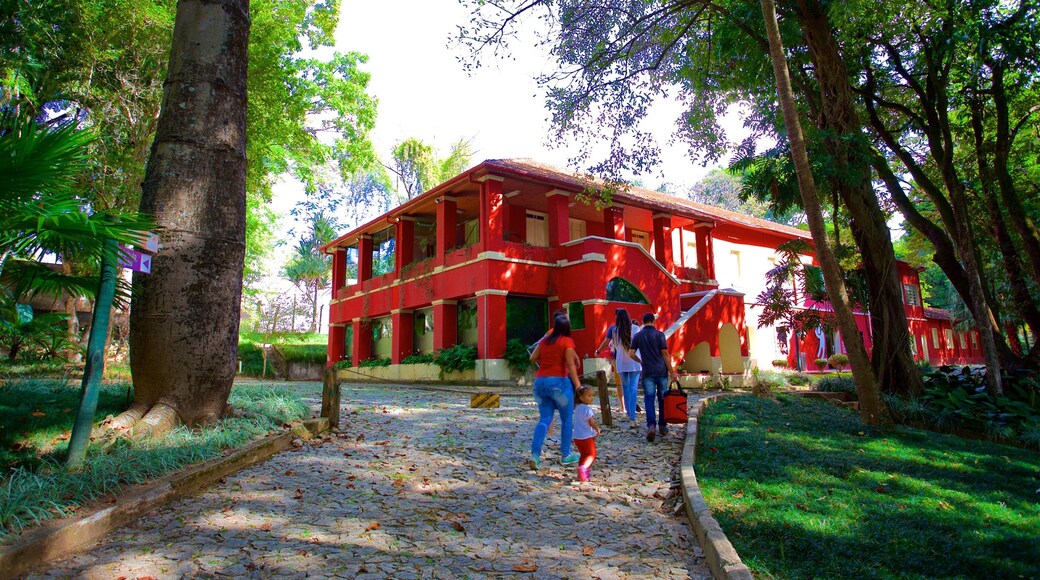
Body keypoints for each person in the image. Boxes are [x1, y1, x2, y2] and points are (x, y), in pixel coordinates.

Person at [529, 315, 582, 469]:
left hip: (540, 384)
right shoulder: (567, 341)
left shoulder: (545, 340)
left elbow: (533, 357)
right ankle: (565, 455)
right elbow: (571, 366)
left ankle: (535, 455)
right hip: (559, 384)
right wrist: (578, 386)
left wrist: (546, 361)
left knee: (544, 419)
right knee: (566, 419)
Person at [629, 312, 678, 442]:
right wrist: (672, 372)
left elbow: (631, 353)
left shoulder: (638, 336)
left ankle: (651, 426)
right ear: (653, 321)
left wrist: (640, 361)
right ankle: (662, 426)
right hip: (661, 371)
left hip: (647, 372)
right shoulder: (660, 335)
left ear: (643, 321)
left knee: (649, 399)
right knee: (662, 399)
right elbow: (665, 354)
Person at [596, 308, 642, 424]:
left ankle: (627, 413)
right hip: (634, 362)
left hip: (621, 362)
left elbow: (606, 342)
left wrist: (598, 351)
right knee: (633, 389)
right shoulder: (636, 328)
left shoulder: (614, 330)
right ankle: (632, 418)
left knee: (625, 389)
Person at [572, 385, 600, 482]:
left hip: (576, 436)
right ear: (581, 398)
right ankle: (583, 468)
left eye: (592, 395)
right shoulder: (587, 409)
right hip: (586, 436)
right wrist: (597, 429)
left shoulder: (577, 407)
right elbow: (591, 422)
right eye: (589, 396)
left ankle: (581, 474)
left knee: (583, 454)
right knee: (591, 454)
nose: (592, 398)